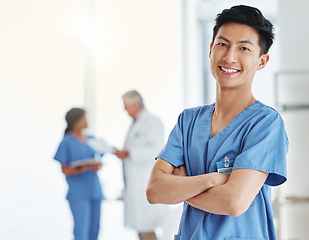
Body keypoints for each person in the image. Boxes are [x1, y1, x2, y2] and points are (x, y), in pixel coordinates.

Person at [146, 5, 288, 240]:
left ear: (262, 61)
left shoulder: (266, 124)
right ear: (211, 50)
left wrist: (182, 187)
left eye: (243, 48)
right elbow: (154, 191)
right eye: (223, 44)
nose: (230, 56)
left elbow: (233, 202)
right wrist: (212, 180)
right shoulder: (188, 121)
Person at [114, 90, 166, 240]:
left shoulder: (152, 122)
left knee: (147, 229)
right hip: (135, 186)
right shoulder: (135, 124)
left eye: (125, 105)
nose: (124, 109)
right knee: (142, 230)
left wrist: (129, 153)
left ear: (135, 104)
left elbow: (157, 151)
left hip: (145, 183)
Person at [54, 108, 103, 240]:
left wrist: (96, 165)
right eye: (84, 118)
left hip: (95, 190)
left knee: (95, 231)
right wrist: (84, 168)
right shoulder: (66, 142)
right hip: (79, 192)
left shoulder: (91, 139)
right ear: (75, 122)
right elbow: (65, 169)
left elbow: (103, 151)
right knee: (81, 232)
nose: (87, 121)